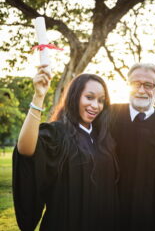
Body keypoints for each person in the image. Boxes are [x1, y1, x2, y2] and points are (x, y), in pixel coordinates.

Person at [13, 67, 119, 231]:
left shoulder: (104, 138)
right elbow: (26, 150)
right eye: (89, 97)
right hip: (65, 223)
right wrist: (39, 96)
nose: (95, 105)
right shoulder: (57, 133)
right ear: (75, 97)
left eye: (100, 100)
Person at [110, 63, 155, 230]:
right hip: (112, 207)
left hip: (152, 211)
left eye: (148, 85)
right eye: (135, 84)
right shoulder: (109, 115)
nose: (141, 90)